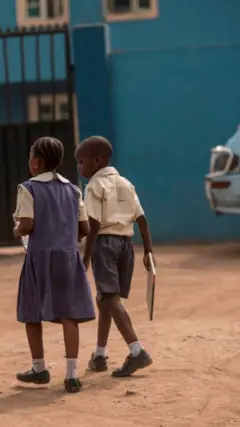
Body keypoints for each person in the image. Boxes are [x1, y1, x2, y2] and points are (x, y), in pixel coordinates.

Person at [14, 136, 96, 393]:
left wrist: (17, 230)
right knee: (68, 313)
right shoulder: (73, 189)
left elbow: (27, 225)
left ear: (36, 162)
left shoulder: (27, 188)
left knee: (31, 313)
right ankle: (72, 374)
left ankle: (39, 368)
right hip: (68, 257)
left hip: (39, 257)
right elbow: (84, 227)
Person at [75, 136, 155, 377]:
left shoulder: (93, 187)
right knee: (105, 300)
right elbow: (141, 218)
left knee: (109, 299)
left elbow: (94, 224)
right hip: (126, 246)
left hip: (105, 245)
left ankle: (136, 350)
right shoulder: (126, 183)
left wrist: (86, 258)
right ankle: (99, 355)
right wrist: (148, 250)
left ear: (97, 161)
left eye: (81, 162)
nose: (79, 168)